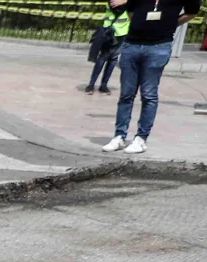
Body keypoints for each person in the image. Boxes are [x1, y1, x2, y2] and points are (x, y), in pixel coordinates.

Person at [103, 0, 201, 153]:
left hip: (159, 46)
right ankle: (119, 136)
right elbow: (130, 11)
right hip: (132, 44)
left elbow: (192, 12)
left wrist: (169, 25)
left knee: (148, 94)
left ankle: (141, 139)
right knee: (126, 94)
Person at [86, 4, 129, 95]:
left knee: (113, 59)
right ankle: (91, 84)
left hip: (123, 32)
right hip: (110, 31)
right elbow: (117, 7)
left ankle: (104, 85)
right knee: (102, 58)